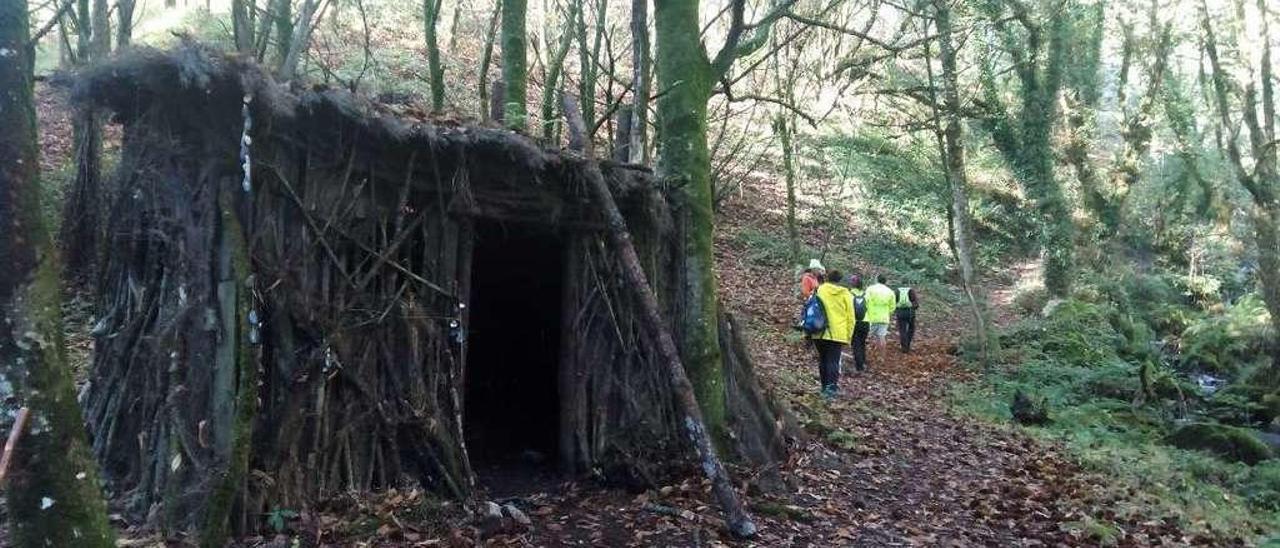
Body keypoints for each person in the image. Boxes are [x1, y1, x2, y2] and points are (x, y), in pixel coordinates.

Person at [807, 269, 853, 400]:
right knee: (833, 360)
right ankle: (831, 389)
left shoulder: (819, 290)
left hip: (819, 330)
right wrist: (848, 336)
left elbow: (810, 305)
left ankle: (823, 387)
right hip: (837, 333)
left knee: (823, 359)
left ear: (827, 278)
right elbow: (851, 317)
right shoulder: (846, 294)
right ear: (839, 280)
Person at [865, 274, 897, 366]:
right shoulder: (890, 291)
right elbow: (892, 306)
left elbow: (866, 300)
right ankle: (881, 357)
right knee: (881, 337)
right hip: (884, 317)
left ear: (877, 280)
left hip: (871, 316)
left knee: (866, 337)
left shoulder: (870, 289)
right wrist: (888, 312)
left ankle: (864, 356)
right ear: (885, 281)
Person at [848, 274, 870, 373]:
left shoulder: (849, 293)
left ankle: (859, 366)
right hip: (865, 322)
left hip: (854, 322)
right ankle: (863, 361)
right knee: (862, 343)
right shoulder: (866, 294)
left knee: (856, 344)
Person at [895, 283, 920, 353]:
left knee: (902, 330)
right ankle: (908, 344)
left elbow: (894, 302)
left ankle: (904, 347)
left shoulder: (897, 291)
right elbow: (916, 304)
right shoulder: (911, 291)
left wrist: (896, 309)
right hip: (910, 313)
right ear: (908, 284)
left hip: (900, 313)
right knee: (911, 329)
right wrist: (914, 307)